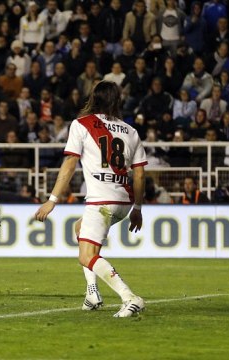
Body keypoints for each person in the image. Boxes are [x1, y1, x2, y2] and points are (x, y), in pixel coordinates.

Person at [34, 81, 147, 318]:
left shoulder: (81, 125)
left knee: (86, 255)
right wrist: (137, 208)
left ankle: (130, 297)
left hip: (101, 201)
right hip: (124, 202)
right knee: (80, 228)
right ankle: (92, 292)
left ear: (93, 98)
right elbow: (139, 174)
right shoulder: (131, 131)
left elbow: (69, 164)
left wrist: (52, 199)